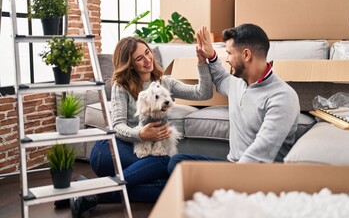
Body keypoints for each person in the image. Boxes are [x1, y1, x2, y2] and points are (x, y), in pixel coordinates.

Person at [70, 36, 213, 217]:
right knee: (164, 164)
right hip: (111, 151)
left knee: (168, 186)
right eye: (139, 58)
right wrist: (141, 134)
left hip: (149, 156)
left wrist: (201, 62)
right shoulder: (120, 87)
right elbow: (117, 126)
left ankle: (89, 193)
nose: (148, 60)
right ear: (129, 64)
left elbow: (203, 93)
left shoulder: (165, 82)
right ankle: (88, 192)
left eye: (147, 53)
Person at [168, 24, 300, 173]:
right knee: (177, 163)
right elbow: (221, 79)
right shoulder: (239, 82)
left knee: (178, 180)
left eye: (229, 53)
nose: (228, 59)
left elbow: (260, 152)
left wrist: (231, 178)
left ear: (246, 55)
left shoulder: (282, 97)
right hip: (232, 165)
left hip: (260, 175)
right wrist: (211, 56)